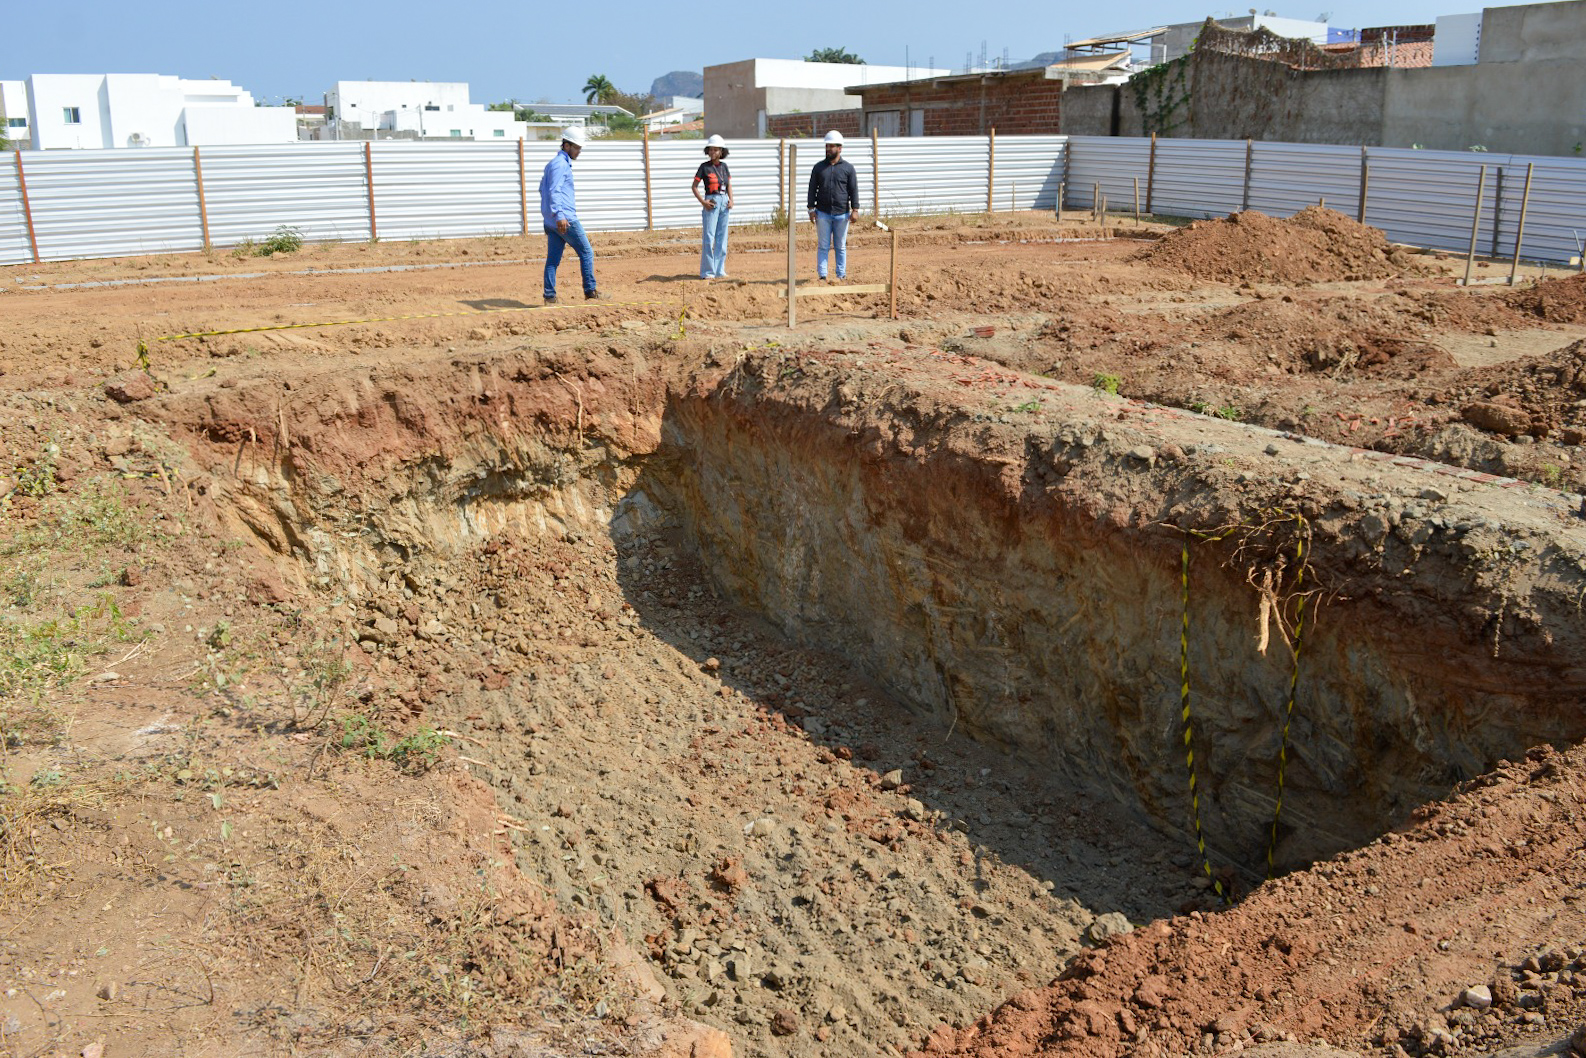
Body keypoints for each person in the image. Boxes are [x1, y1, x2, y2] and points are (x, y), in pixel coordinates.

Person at [538, 125, 606, 305]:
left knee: (553, 259)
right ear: (566, 146)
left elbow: (542, 190)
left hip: (551, 220)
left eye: (580, 148)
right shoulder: (560, 165)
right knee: (586, 252)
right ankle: (590, 291)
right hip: (564, 219)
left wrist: (551, 214)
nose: (579, 151)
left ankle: (549, 296)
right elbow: (554, 191)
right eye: (576, 148)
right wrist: (559, 214)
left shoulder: (553, 164)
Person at [806, 130, 860, 282]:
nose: (828, 149)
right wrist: (811, 209)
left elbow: (853, 189)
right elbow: (812, 189)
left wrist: (855, 209)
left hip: (842, 214)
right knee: (823, 246)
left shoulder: (848, 169)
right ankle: (822, 276)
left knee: (840, 246)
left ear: (840, 148)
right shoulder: (818, 168)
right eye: (827, 146)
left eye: (831, 146)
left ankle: (840, 275)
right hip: (822, 213)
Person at [693, 134, 734, 280]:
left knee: (722, 238)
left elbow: (728, 185)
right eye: (711, 150)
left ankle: (719, 270)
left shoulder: (724, 167)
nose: (713, 152)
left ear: (722, 152)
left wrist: (731, 200)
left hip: (724, 202)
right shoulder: (704, 167)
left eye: (716, 150)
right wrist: (703, 202)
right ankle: (707, 272)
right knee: (709, 237)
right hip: (711, 202)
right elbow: (694, 187)